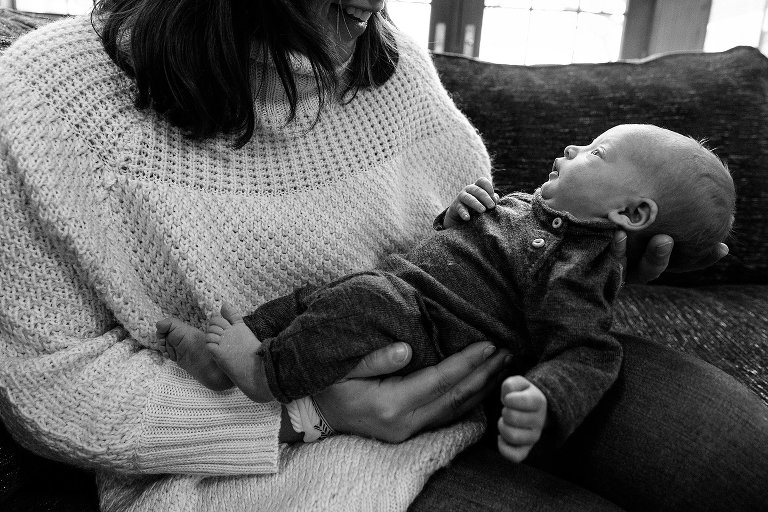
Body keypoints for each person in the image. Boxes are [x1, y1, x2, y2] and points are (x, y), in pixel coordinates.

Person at [0, 0, 763, 510]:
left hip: (497, 356)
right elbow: (47, 381)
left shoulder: (382, 47)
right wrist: (309, 414)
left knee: (742, 460)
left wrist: (595, 261)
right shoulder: (46, 99)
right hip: (276, 455)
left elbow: (480, 230)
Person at [155, 123, 734, 463]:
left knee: (358, 303)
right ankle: (224, 359)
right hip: (399, 289)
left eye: (595, 155)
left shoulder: (578, 266)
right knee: (317, 300)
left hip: (428, 327)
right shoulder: (524, 207)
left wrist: (546, 400)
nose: (570, 153)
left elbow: (589, 348)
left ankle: (262, 375)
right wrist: (457, 213)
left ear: (631, 213)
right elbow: (454, 243)